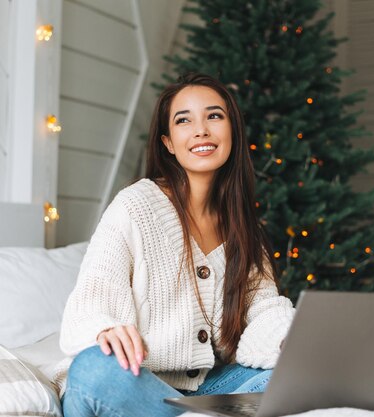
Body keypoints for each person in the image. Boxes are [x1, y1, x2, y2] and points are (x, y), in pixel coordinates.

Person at [57, 73, 295, 417]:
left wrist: (286, 339)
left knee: (286, 378)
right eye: (184, 120)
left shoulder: (245, 229)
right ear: (168, 142)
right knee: (94, 369)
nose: (201, 130)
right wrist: (105, 328)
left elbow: (265, 310)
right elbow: (94, 296)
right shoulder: (135, 206)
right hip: (136, 382)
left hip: (210, 388)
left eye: (214, 116)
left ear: (232, 132)